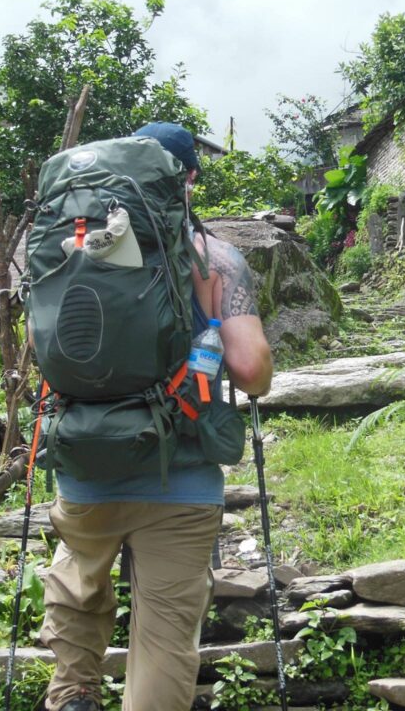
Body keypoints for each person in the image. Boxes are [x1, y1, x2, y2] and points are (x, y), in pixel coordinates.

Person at [40, 122, 274, 711]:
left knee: (78, 593)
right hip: (182, 480)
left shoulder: (71, 244)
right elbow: (252, 373)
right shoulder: (215, 257)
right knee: (166, 639)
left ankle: (73, 695)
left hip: (85, 468)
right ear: (188, 178)